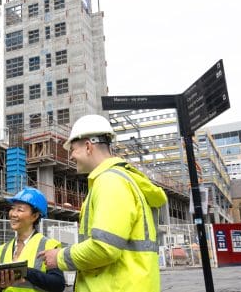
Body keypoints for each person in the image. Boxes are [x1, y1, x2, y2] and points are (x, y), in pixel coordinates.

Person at [38, 114, 168, 292]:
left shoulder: (110, 182)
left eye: (73, 150)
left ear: (88, 146)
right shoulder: (120, 180)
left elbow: (104, 248)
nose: (72, 157)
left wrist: (59, 257)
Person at [0, 187, 66, 292]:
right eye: (12, 208)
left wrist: (26, 272)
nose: (13, 214)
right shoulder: (3, 249)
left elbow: (58, 285)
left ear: (34, 216)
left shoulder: (49, 246)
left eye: (20, 209)